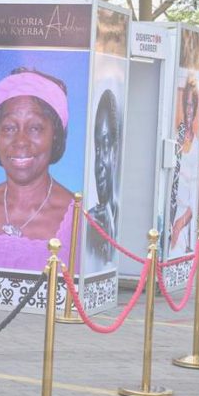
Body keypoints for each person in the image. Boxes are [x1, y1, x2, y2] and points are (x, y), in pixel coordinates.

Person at [0, 68, 73, 270]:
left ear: (56, 136)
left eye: (35, 128)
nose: (20, 141)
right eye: (9, 128)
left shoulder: (78, 221)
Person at [85, 90, 119, 271]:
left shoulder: (122, 215)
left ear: (116, 153)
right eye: (97, 149)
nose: (99, 164)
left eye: (105, 148)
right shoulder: (90, 222)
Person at [169, 77, 199, 255]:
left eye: (192, 105)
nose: (189, 110)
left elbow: (193, 198)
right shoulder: (176, 135)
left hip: (183, 218)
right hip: (169, 212)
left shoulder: (195, 144)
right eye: (186, 104)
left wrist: (179, 225)